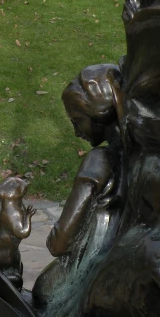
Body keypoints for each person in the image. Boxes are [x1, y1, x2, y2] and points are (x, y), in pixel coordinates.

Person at [46, 64, 125, 258]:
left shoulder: (99, 160)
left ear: (97, 114)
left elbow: (60, 242)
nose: (76, 132)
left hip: (99, 261)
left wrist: (53, 241)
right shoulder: (137, 156)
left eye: (77, 121)